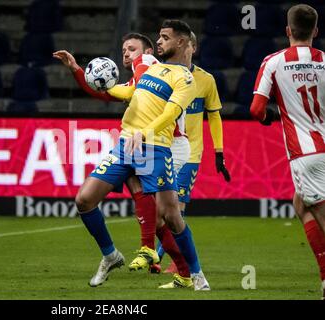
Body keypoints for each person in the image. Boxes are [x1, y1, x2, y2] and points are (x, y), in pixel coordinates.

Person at [72, 19, 210, 291]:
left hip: (156, 148)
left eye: (164, 37)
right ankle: (111, 255)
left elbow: (172, 112)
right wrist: (83, 75)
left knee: (170, 216)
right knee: (84, 199)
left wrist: (144, 132)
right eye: (158, 37)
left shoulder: (185, 78)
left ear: (181, 42)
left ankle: (195, 275)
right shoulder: (148, 68)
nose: (158, 42)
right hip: (125, 146)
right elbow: (123, 91)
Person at [53, 33, 192, 280]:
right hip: (131, 144)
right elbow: (107, 93)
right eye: (123, 49)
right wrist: (77, 69)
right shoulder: (139, 81)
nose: (126, 54)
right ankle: (119, 255)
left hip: (162, 145)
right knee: (86, 200)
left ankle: (178, 265)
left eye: (132, 49)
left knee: (163, 216)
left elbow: (126, 85)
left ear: (148, 51)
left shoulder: (150, 66)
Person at [250, 4, 325, 299]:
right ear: (315, 32)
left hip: (306, 154)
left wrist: (270, 117)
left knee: (318, 211)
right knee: (301, 204)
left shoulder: (274, 62)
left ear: (288, 31)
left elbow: (256, 109)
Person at [157, 31, 230, 275]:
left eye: (188, 45)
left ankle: (175, 263)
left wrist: (219, 151)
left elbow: (215, 115)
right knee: (160, 208)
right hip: (162, 148)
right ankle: (157, 254)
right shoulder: (161, 74)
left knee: (177, 206)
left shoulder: (206, 80)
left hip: (190, 152)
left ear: (192, 48)